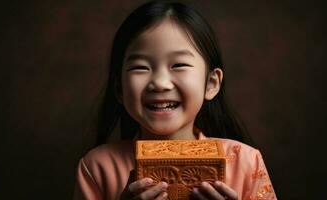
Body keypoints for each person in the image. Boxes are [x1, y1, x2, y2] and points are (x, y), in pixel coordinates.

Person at [73, 1, 277, 199]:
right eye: (141, 67)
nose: (160, 83)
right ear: (119, 88)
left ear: (211, 84)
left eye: (179, 65)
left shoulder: (246, 161)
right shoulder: (97, 167)